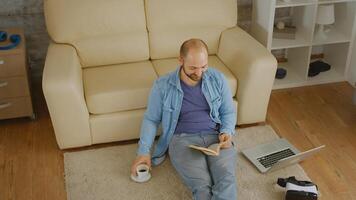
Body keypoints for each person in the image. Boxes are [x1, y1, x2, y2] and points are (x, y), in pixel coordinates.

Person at [131, 38, 237, 200]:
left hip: (216, 137)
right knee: (202, 185)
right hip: (183, 140)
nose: (199, 73)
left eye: (203, 66)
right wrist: (143, 152)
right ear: (181, 60)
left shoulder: (217, 79)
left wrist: (226, 132)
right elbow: (151, 119)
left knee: (226, 180)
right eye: (193, 68)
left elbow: (228, 112)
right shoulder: (163, 86)